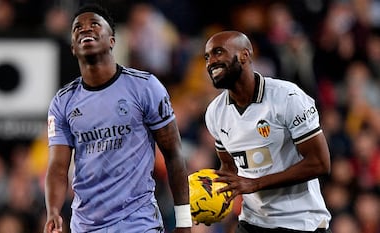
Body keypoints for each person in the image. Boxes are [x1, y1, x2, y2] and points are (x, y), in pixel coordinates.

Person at [43, 3, 191, 233]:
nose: (85, 29)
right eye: (77, 28)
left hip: (139, 223)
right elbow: (58, 168)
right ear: (73, 47)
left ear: (112, 40)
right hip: (86, 226)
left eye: (94, 24)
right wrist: (53, 211)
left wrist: (183, 220)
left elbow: (173, 154)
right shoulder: (63, 102)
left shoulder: (145, 87)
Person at [203, 30, 332, 233]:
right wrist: (213, 202)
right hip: (252, 222)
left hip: (300, 222)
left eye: (218, 52)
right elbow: (229, 168)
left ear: (245, 55)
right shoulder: (214, 113)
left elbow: (320, 163)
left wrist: (256, 184)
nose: (211, 62)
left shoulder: (288, 97)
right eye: (207, 57)